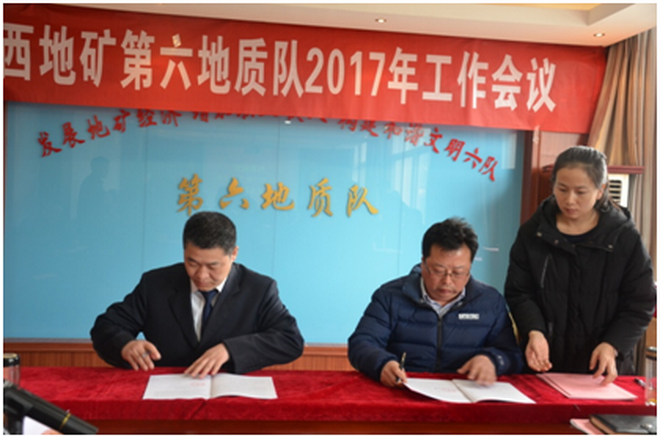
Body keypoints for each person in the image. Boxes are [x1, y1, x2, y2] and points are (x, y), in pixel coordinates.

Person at [505, 146, 656, 384]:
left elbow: (640, 302)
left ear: (600, 190)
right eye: (562, 189)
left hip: (602, 371)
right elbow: (519, 292)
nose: (569, 200)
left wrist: (613, 344)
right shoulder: (533, 233)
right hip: (544, 365)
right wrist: (534, 330)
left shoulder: (624, 237)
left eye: (581, 192)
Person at [91, 211, 304, 378]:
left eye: (213, 266)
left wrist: (230, 350)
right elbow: (106, 326)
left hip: (231, 397)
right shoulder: (155, 284)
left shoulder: (258, 289)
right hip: (167, 396)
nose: (201, 275)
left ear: (234, 254)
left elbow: (290, 340)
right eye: (192, 263)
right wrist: (126, 345)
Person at [348, 217, 523, 387]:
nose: (447, 281)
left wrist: (492, 360)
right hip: (405, 388)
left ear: (470, 268)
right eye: (438, 271)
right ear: (423, 263)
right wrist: (382, 364)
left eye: (458, 272)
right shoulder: (390, 296)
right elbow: (362, 343)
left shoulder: (490, 302)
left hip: (466, 394)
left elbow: (511, 354)